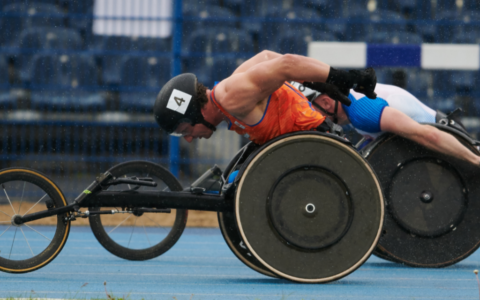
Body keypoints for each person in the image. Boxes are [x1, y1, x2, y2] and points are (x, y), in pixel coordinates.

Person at [153, 50, 376, 145]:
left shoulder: (230, 96)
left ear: (195, 113)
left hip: (311, 139)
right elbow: (266, 57)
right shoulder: (230, 90)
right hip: (301, 140)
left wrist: (339, 78)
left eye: (185, 131)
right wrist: (316, 82)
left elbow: (286, 64)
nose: (189, 138)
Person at [302, 81, 480, 165]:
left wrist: (475, 158)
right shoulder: (353, 100)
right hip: (437, 147)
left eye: (312, 111)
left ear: (325, 102)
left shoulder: (361, 112)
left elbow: (428, 135)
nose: (315, 119)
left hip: (449, 143)